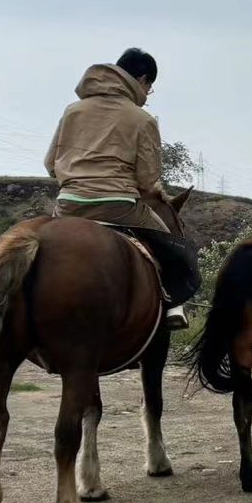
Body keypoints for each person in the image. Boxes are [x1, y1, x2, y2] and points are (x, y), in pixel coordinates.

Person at [44, 48, 200, 328]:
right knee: (169, 243)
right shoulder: (142, 119)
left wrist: (77, 181)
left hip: (68, 205)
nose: (147, 95)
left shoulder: (73, 110)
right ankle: (173, 308)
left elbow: (49, 163)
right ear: (142, 79)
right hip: (119, 207)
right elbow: (147, 180)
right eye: (149, 87)